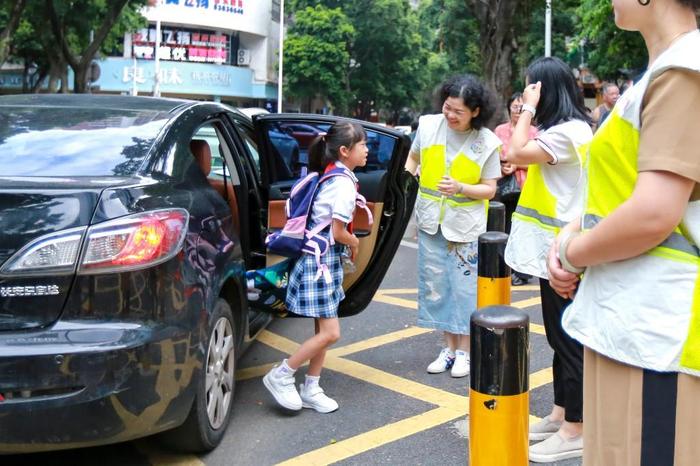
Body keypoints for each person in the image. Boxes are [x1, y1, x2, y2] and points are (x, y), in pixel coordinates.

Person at [548, 1, 700, 465]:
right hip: (632, 316)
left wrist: (574, 253)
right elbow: (622, 193)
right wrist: (573, 233)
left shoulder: (684, 70)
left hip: (660, 329)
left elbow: (655, 213)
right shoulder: (659, 73)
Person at [504, 56, 593, 463]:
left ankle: (576, 427)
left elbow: (515, 152)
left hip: (563, 253)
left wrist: (526, 109)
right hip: (553, 250)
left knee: (568, 339)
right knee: (560, 338)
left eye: (531, 88)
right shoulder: (564, 131)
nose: (525, 95)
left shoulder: (570, 133)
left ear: (543, 90)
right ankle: (561, 415)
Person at [263, 121, 367, 413]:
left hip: (317, 259)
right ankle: (281, 374)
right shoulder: (343, 184)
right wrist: (355, 244)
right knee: (330, 332)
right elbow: (337, 232)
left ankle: (312, 386)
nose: (367, 150)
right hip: (320, 262)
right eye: (363, 145)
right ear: (345, 151)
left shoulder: (330, 176)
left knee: (322, 327)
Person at [404, 74, 501, 378]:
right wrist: (405, 181)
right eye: (447, 107)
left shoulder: (487, 142)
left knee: (464, 290)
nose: (450, 115)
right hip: (432, 220)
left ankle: (465, 352)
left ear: (476, 111)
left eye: (458, 111)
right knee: (438, 287)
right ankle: (447, 349)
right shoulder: (429, 125)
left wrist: (461, 187)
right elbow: (412, 158)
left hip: (465, 225)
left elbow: (490, 189)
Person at [494, 92, 539, 286]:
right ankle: (504, 268)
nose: (518, 112)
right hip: (503, 186)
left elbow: (539, 161)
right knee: (504, 228)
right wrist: (503, 165)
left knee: (522, 230)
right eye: (514, 108)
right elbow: (493, 155)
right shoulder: (499, 130)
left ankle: (522, 273)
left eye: (522, 108)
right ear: (508, 108)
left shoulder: (534, 132)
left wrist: (517, 165)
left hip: (526, 187)